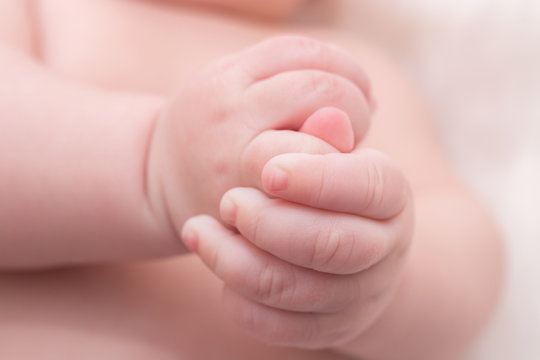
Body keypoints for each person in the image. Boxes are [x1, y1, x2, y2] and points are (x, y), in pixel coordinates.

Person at [0, 0, 503, 359]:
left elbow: (469, 253)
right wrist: (149, 162)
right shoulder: (49, 11)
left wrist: (384, 279)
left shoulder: (353, 73)